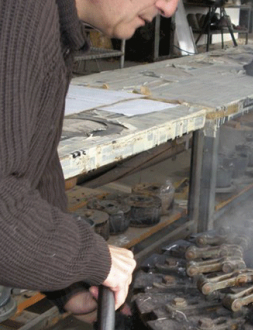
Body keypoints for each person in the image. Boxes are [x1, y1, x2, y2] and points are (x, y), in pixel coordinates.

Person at [0, 0, 179, 323]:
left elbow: (35, 158)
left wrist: (69, 285)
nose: (167, 9)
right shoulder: (19, 11)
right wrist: (90, 257)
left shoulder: (54, 25)